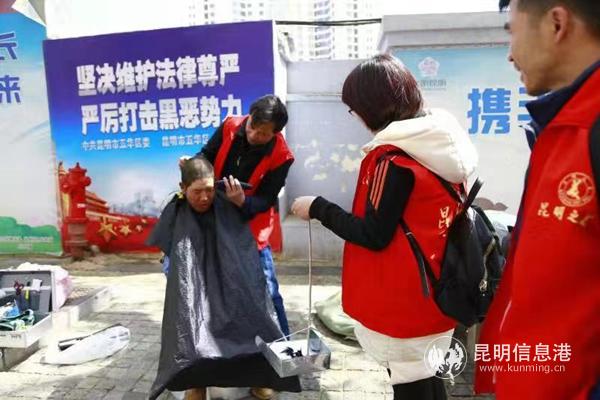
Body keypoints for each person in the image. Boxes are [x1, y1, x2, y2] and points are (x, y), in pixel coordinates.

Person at [291, 54, 478, 400]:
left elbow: (373, 234)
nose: (355, 117)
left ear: (372, 107)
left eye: (354, 109)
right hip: (440, 288)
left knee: (411, 387)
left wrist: (318, 207)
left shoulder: (392, 159)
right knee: (428, 378)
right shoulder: (440, 145)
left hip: (404, 300)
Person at [474, 1, 600, 399]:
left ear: (557, 23)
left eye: (512, 31)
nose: (510, 54)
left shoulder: (589, 129)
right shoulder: (560, 127)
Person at [148, 158, 301, 400]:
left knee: (254, 316)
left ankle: (259, 378)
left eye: (209, 190)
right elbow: (170, 250)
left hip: (233, 275)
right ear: (183, 187)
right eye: (197, 191)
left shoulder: (228, 203)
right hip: (193, 279)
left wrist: (240, 202)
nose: (204, 198)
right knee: (190, 326)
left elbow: (243, 240)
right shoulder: (175, 210)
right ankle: (196, 384)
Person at [183, 95, 294, 344]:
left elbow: (266, 199)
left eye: (263, 134)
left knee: (266, 288)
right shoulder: (230, 125)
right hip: (215, 214)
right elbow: (206, 155)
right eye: (252, 127)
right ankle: (215, 344)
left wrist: (243, 202)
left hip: (251, 223)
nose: (254, 135)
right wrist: (193, 165)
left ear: (276, 133)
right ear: (249, 117)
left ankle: (283, 347)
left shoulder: (282, 156)